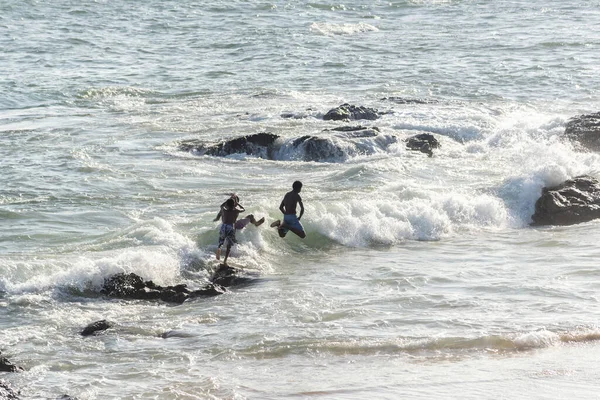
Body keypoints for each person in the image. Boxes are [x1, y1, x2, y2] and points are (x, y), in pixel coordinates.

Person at [213, 198, 242, 265]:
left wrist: (226, 201)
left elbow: (221, 206)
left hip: (224, 226)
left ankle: (218, 252)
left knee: (221, 241)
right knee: (229, 245)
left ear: (227, 204)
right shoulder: (236, 211)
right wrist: (238, 204)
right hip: (231, 227)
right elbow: (243, 209)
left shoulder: (224, 210)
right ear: (234, 204)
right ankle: (225, 260)